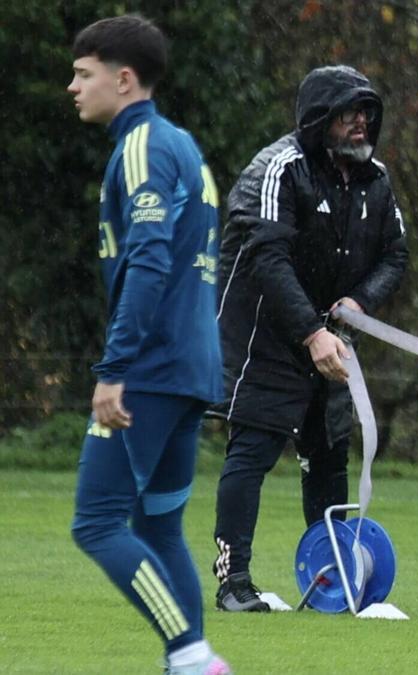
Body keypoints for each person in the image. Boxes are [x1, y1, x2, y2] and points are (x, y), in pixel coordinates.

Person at [210, 65, 408, 611]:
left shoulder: (376, 179)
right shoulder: (279, 168)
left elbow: (395, 255)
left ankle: (334, 580)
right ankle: (233, 583)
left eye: (366, 112)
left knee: (327, 454)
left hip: (332, 337)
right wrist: (311, 332)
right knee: (253, 449)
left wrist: (359, 302)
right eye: (348, 113)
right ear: (319, 119)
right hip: (266, 336)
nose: (361, 122)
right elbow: (267, 258)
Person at [67, 14, 231, 675]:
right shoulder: (182, 145)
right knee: (159, 528)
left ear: (124, 79)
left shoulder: (143, 147)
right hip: (191, 366)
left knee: (96, 523)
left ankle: (192, 654)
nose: (73, 87)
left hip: (151, 369)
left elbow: (150, 260)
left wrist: (115, 368)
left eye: (83, 74)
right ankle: (187, 663)